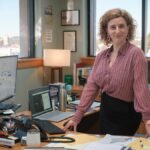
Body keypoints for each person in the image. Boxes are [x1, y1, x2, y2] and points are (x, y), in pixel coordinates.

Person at [64, 8, 150, 136]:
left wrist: (147, 119)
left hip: (126, 115)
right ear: (107, 30)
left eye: (121, 26)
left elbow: (140, 89)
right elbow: (91, 88)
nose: (117, 31)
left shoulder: (136, 54)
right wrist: (77, 116)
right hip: (106, 112)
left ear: (128, 28)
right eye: (113, 27)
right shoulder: (101, 56)